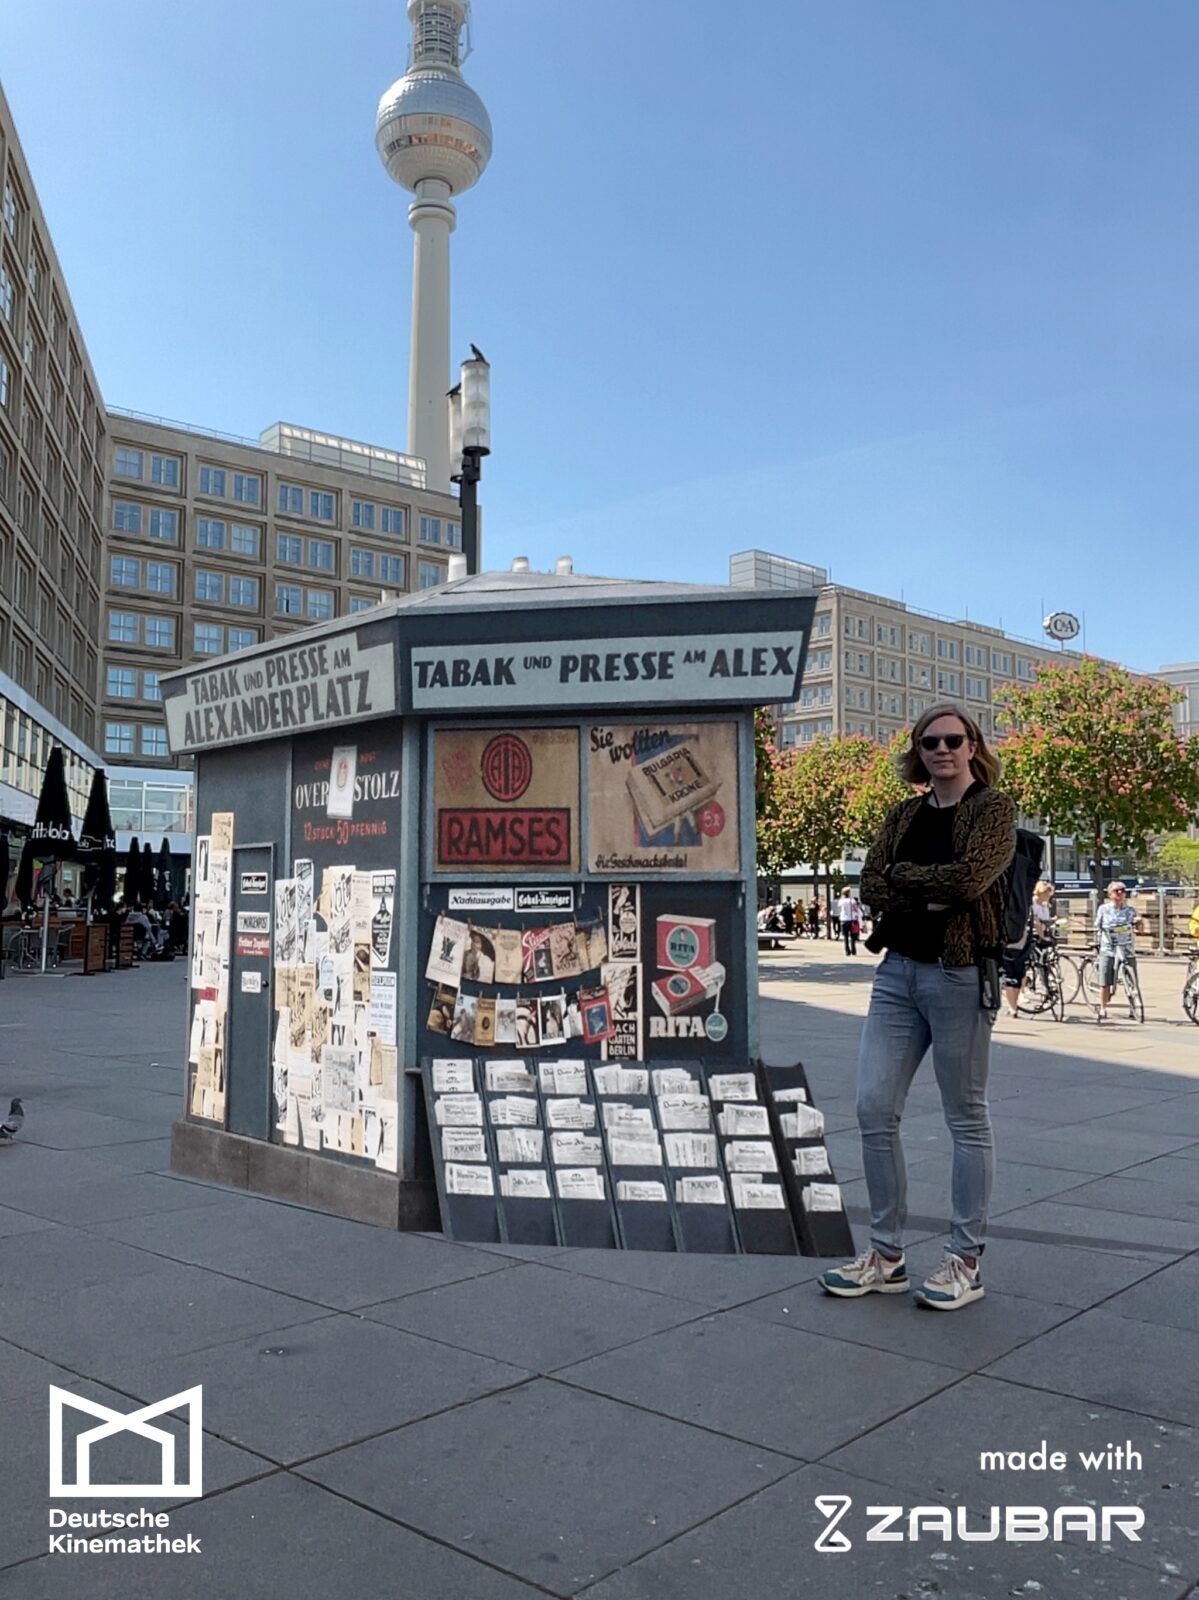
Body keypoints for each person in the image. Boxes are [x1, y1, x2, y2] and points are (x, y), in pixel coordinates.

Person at [820, 703, 1015, 1312]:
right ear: (918, 751)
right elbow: (870, 883)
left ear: (973, 745)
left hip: (959, 975)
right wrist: (918, 884)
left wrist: (910, 882)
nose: (942, 749)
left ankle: (965, 1259)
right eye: (930, 741)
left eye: (954, 740)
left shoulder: (994, 809)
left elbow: (969, 880)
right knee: (873, 1107)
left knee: (965, 1116)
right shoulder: (904, 813)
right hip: (897, 973)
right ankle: (886, 1255)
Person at [1094, 881, 1145, 1021]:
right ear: (1110, 894)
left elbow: (1140, 930)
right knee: (1105, 980)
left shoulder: (1130, 910)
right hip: (1109, 947)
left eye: (1123, 891)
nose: (1121, 893)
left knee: (1132, 979)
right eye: (1117, 891)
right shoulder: (1103, 909)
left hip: (1126, 948)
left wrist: (1140, 922)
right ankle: (1103, 1008)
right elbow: (1097, 926)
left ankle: (1133, 1007)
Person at [836, 889, 862, 955]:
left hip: (843, 919)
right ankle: (853, 950)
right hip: (852, 919)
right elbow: (856, 909)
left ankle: (847, 951)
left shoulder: (841, 901)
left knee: (845, 936)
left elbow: (839, 909)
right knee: (853, 936)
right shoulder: (852, 900)